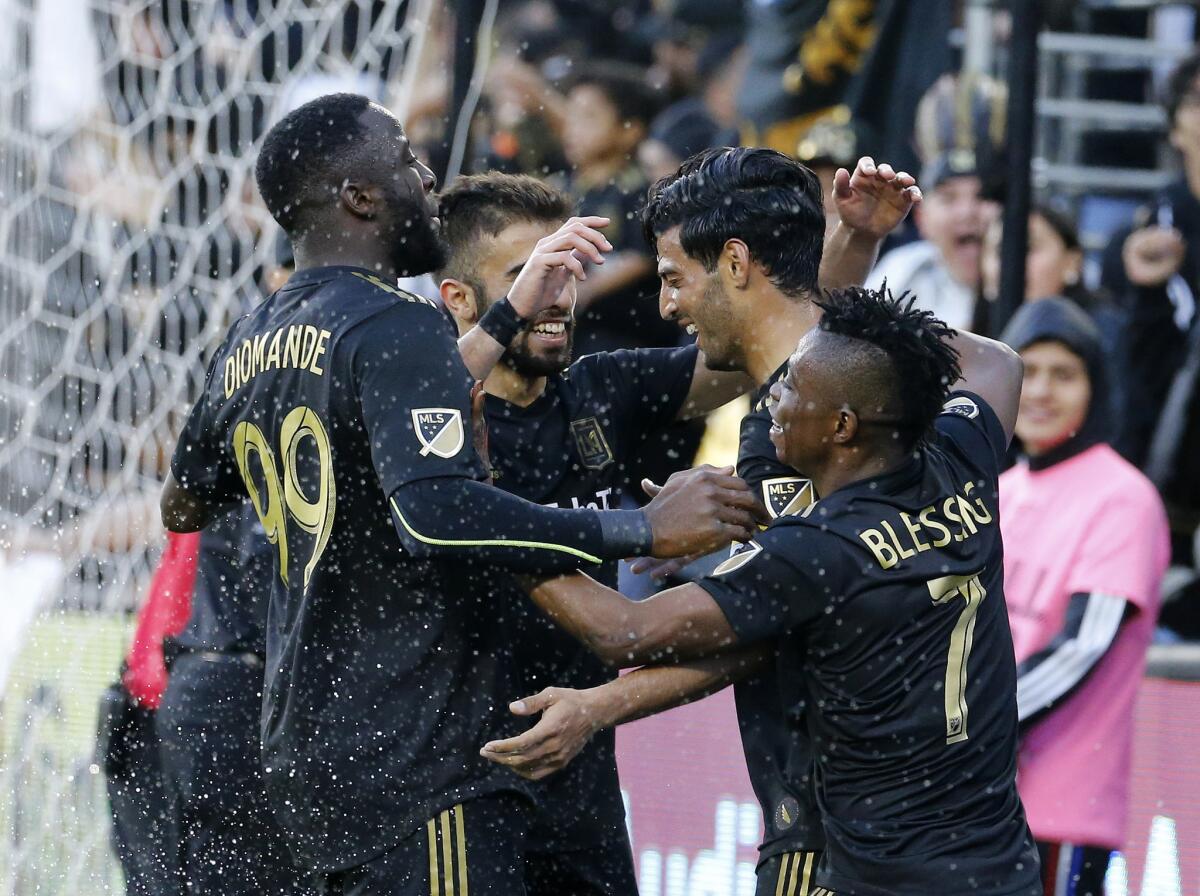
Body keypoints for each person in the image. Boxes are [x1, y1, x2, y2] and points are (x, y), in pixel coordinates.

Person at [159, 93, 761, 894]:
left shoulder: (255, 335)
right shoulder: (393, 324)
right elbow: (436, 513)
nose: (425, 177)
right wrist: (638, 529)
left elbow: (184, 503)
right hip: (425, 754)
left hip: (327, 739)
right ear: (359, 197)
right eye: (405, 159)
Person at [437, 159, 905, 892]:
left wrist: (854, 245)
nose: (555, 295)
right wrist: (640, 529)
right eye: (530, 275)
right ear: (461, 299)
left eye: (565, 271)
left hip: (578, 763)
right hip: (456, 773)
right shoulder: (423, 426)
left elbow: (779, 346)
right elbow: (416, 424)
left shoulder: (598, 389)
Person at [492, 286, 1040, 896]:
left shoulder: (818, 551)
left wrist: (485, 512)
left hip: (885, 880)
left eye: (795, 386)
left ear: (842, 425)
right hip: (1000, 869)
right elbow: (998, 362)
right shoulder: (960, 459)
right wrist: (884, 326)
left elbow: (623, 632)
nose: (774, 394)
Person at [998, 298, 1169, 896]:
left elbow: (1081, 647)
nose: (1041, 392)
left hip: (1061, 812)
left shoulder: (1123, 497)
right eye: (1029, 372)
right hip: (975, 805)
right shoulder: (999, 489)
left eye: (1064, 375)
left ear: (1097, 387)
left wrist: (968, 727)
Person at [155, 504, 313, 896]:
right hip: (231, 695)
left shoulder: (231, 466)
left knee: (208, 869)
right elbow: (266, 574)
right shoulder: (266, 468)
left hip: (203, 684)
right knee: (248, 870)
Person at [867, 149, 987, 330]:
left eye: (982, 196)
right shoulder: (902, 272)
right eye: (948, 198)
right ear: (921, 218)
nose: (968, 212)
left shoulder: (1033, 268)